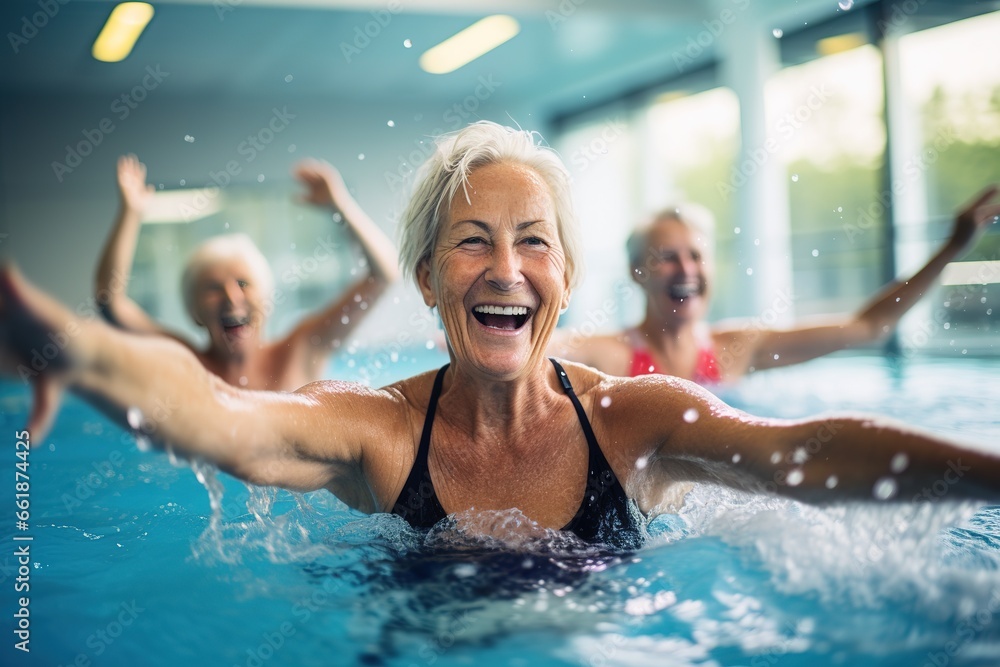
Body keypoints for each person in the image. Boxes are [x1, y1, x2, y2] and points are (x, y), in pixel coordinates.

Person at [4, 122, 1000, 550]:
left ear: (564, 281)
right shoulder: (378, 432)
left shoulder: (636, 416)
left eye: (534, 242)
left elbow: (793, 453)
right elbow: (218, 415)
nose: (506, 268)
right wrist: (66, 344)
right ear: (431, 278)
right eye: (471, 242)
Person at [551, 192, 1000, 382]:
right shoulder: (610, 356)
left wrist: (951, 248)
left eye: (696, 255)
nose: (685, 268)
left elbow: (869, 327)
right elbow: (533, 351)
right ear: (637, 272)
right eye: (666, 257)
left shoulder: (738, 349)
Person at [94, 154, 400, 391]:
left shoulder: (302, 350)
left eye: (243, 283)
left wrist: (341, 206)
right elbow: (110, 302)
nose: (231, 297)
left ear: (267, 299)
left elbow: (383, 276)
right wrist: (130, 214)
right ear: (194, 312)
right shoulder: (186, 364)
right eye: (213, 288)